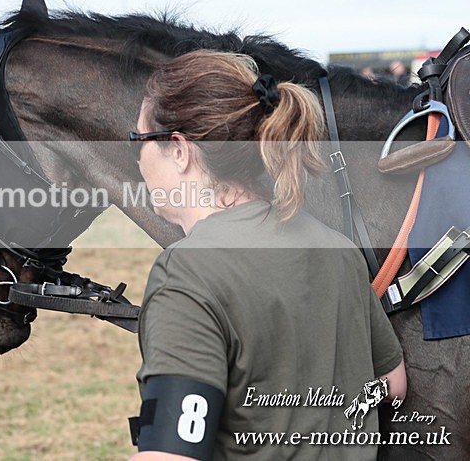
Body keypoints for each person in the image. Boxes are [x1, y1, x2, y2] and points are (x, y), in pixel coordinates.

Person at [129, 51, 405, 460]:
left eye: (139, 140)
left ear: (180, 150)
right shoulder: (337, 248)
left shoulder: (186, 271)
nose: (137, 157)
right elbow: (393, 382)